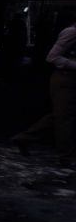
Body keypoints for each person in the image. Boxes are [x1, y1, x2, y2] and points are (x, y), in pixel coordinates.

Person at [11, 12, 76, 164]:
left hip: (70, 78)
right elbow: (52, 57)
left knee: (61, 115)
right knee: (65, 118)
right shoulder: (72, 32)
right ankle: (66, 156)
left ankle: (24, 138)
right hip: (65, 78)